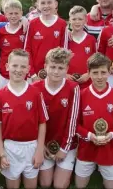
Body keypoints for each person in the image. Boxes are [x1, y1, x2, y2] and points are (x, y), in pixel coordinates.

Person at [0, 49, 48, 189]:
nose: (18, 70)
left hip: (31, 146)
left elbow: (42, 123)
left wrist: (39, 150)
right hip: (10, 147)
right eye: (15, 65)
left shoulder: (36, 93)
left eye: (23, 66)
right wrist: (1, 152)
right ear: (7, 66)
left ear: (29, 69)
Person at [74, 53, 113, 189]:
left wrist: (111, 135)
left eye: (103, 72)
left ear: (109, 71)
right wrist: (89, 136)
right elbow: (74, 125)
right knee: (80, 185)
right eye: (95, 72)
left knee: (112, 186)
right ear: (88, 73)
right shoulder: (81, 95)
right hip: (86, 149)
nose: (99, 77)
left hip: (109, 150)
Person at [32, 47, 80, 189]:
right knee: (45, 183)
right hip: (44, 144)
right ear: (45, 66)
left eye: (61, 68)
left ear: (67, 69)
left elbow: (73, 120)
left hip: (66, 144)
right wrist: (41, 146)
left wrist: (64, 148)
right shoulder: (35, 87)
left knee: (59, 186)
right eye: (52, 67)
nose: (56, 71)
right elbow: (33, 122)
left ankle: (70, 161)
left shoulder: (74, 87)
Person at [25, 0, 67, 84]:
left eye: (49, 2)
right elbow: (27, 49)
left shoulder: (62, 24)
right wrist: (32, 74)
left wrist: (58, 73)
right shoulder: (32, 24)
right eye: (43, 3)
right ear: (37, 5)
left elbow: (64, 51)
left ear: (55, 4)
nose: (46, 6)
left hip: (55, 75)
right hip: (35, 76)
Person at [0, 0, 26, 89]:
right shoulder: (1, 32)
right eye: (10, 13)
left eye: (16, 13)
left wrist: (25, 19)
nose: (13, 16)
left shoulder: (26, 29)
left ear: (21, 13)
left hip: (22, 73)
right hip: (5, 74)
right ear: (5, 14)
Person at [65, 6, 97, 89]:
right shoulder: (65, 39)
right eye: (74, 19)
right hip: (68, 83)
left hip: (87, 82)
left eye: (80, 19)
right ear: (69, 20)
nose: (77, 22)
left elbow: (96, 62)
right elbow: (58, 61)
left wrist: (89, 74)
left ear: (86, 20)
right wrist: (64, 74)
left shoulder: (91, 39)